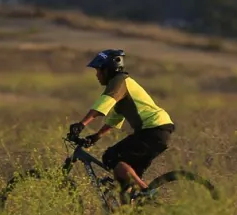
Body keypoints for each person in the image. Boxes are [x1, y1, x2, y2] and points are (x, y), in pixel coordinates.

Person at [67, 49, 174, 196]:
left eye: (99, 71)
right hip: (159, 131)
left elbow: (103, 104)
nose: (97, 75)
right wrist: (97, 136)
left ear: (108, 70)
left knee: (111, 157)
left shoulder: (119, 82)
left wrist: (82, 124)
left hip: (153, 129)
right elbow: (116, 117)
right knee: (124, 178)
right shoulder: (124, 84)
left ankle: (145, 191)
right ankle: (128, 214)